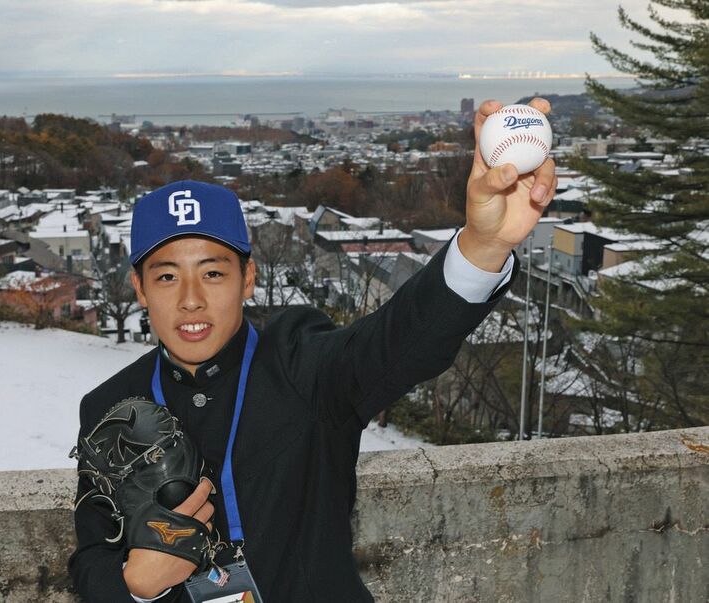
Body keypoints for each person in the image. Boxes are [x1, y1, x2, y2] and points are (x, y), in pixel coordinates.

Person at [68, 98, 557, 601]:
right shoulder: (110, 406)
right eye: (167, 276)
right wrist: (136, 584)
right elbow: (91, 561)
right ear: (139, 289)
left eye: (213, 272)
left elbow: (401, 343)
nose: (191, 300)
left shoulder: (304, 365)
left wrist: (483, 244)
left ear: (249, 279)